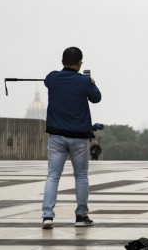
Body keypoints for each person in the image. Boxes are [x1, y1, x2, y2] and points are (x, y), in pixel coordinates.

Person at [41, 47, 102, 229]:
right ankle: (81, 216)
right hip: (79, 137)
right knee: (81, 177)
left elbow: (47, 81)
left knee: (53, 176)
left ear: (62, 61)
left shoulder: (52, 77)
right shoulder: (84, 81)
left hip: (57, 135)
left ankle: (47, 216)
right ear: (80, 63)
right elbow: (97, 98)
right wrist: (91, 82)